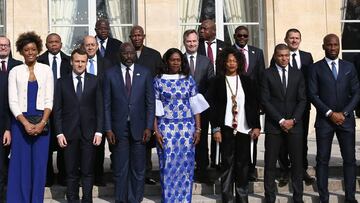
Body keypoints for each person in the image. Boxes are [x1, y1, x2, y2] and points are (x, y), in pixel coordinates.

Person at [308, 34, 359, 203]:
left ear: (339, 46)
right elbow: (313, 95)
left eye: (335, 44)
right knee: (322, 159)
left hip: (346, 121)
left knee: (349, 159)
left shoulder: (349, 67)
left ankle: (350, 196)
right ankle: (324, 197)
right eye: (329, 45)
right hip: (324, 121)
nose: (332, 48)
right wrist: (330, 113)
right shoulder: (315, 68)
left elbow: (356, 93)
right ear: (323, 47)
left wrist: (344, 113)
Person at [153, 48, 208, 202]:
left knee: (186, 167)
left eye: (178, 60)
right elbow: (154, 108)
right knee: (168, 166)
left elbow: (195, 106)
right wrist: (156, 130)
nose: (176, 62)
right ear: (167, 61)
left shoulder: (188, 79)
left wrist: (198, 129)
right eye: (173, 60)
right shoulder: (158, 80)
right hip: (166, 129)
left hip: (186, 130)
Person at [103, 42, 155, 203]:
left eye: (131, 53)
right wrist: (108, 129)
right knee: (120, 168)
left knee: (138, 168)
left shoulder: (145, 73)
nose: (128, 56)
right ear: (120, 54)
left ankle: (135, 199)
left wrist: (148, 127)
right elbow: (106, 104)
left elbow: (150, 103)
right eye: (125, 53)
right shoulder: (110, 74)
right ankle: (121, 199)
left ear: (135, 54)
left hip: (140, 129)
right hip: (118, 130)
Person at [7, 31, 54, 203]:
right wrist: (25, 123)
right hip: (20, 124)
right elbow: (12, 100)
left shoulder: (46, 70)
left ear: (38, 50)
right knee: (21, 164)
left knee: (39, 165)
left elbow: (50, 100)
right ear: (21, 51)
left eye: (33, 49)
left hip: (42, 123)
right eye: (26, 50)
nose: (30, 52)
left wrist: (42, 122)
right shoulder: (15, 71)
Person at [209, 47, 260, 203]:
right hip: (225, 129)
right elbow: (213, 107)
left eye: (234, 60)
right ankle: (227, 199)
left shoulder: (247, 81)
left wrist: (256, 126)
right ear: (224, 62)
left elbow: (253, 104)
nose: (231, 63)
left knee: (243, 166)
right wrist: (216, 128)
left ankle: (242, 198)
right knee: (227, 165)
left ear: (239, 62)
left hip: (244, 129)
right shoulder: (217, 81)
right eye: (228, 60)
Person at [53, 48, 103, 202]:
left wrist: (99, 132)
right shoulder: (62, 82)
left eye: (83, 61)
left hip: (89, 134)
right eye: (77, 61)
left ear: (87, 62)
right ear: (71, 62)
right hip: (68, 134)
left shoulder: (95, 80)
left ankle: (87, 200)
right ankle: (72, 199)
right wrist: (59, 132)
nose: (80, 64)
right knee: (71, 171)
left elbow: (100, 108)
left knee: (88, 171)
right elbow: (57, 110)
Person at [261, 44, 306, 203]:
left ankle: (298, 198)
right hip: (274, 126)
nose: (284, 58)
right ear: (275, 56)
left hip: (295, 126)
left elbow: (302, 100)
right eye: (281, 55)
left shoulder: (298, 74)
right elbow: (265, 100)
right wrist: (281, 120)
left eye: (287, 55)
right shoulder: (267, 74)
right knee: (270, 164)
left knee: (297, 164)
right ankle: (270, 198)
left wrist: (293, 120)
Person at [269, 28, 315, 187]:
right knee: (282, 142)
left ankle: (301, 169)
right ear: (286, 39)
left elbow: (311, 80)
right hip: (281, 108)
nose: (294, 40)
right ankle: (284, 171)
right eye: (291, 38)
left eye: (297, 38)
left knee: (301, 140)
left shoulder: (307, 57)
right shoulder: (278, 56)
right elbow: (273, 81)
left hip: (301, 106)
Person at [129, 25, 164, 185]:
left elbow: (161, 76)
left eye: (139, 35)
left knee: (147, 139)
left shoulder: (154, 55)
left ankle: (147, 172)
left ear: (144, 36)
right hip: (130, 103)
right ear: (130, 37)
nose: (136, 38)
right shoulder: (125, 54)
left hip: (148, 102)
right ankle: (132, 172)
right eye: (134, 36)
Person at [232, 25, 265, 182]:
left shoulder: (257, 52)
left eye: (245, 36)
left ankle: (251, 169)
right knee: (234, 136)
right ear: (234, 36)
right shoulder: (229, 52)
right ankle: (234, 168)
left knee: (252, 135)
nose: (243, 38)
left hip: (252, 101)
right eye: (240, 36)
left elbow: (261, 78)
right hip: (233, 100)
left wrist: (261, 102)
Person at [37, 33, 70, 187]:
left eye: (57, 42)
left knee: (64, 144)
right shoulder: (39, 61)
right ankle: (48, 178)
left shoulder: (69, 61)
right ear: (46, 44)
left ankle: (64, 177)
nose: (54, 44)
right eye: (51, 42)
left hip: (64, 108)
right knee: (47, 145)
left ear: (61, 44)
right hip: (44, 108)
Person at [182, 29, 214, 183]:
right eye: (189, 41)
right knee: (184, 141)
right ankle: (185, 172)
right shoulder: (178, 59)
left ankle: (202, 171)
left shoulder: (206, 61)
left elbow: (210, 84)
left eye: (194, 41)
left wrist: (199, 103)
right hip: (181, 110)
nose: (192, 44)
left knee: (201, 141)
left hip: (201, 109)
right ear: (184, 42)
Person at [198, 19, 228, 168]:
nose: (201, 31)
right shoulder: (197, 47)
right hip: (202, 95)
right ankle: (202, 164)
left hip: (220, 95)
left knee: (219, 129)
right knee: (201, 130)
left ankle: (217, 162)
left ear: (213, 31)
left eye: (204, 28)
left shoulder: (224, 46)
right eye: (201, 28)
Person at [82, 35, 112, 186]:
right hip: (83, 109)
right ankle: (85, 175)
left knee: (99, 145)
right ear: (83, 46)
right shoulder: (78, 62)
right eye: (87, 45)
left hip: (101, 108)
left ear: (97, 46)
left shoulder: (107, 64)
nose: (90, 47)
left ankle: (98, 177)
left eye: (93, 44)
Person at [0, 72, 11, 202]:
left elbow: (7, 106)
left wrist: (8, 128)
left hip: (2, 129)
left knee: (1, 169)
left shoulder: (4, 76)